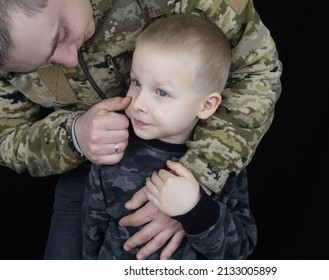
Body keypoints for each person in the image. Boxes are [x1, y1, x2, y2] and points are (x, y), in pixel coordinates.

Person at [0, 0, 282, 259]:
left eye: (61, 34)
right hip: (91, 173)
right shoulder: (102, 175)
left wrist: (197, 187)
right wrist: (73, 136)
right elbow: (6, 137)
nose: (70, 60)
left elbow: (256, 71)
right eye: (41, 63)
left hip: (206, 152)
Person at [83, 14, 256, 259]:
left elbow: (239, 250)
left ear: (206, 105)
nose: (139, 103)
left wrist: (195, 210)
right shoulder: (114, 148)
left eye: (162, 92)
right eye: (136, 82)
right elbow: (92, 230)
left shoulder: (223, 163)